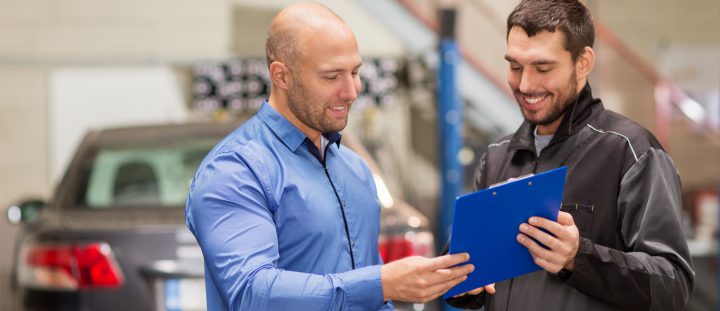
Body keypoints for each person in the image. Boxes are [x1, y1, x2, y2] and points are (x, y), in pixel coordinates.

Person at [186, 3, 474, 310]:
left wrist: (388, 288)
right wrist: (381, 284)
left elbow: (370, 296)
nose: (351, 91)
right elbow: (251, 294)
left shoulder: (355, 170)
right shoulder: (235, 170)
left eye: (355, 72)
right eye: (332, 76)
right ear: (281, 76)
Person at [447, 0, 694, 310]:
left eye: (543, 68)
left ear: (583, 62)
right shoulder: (498, 157)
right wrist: (460, 282)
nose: (525, 84)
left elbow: (672, 285)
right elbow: (470, 279)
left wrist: (579, 258)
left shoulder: (631, 152)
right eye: (515, 66)